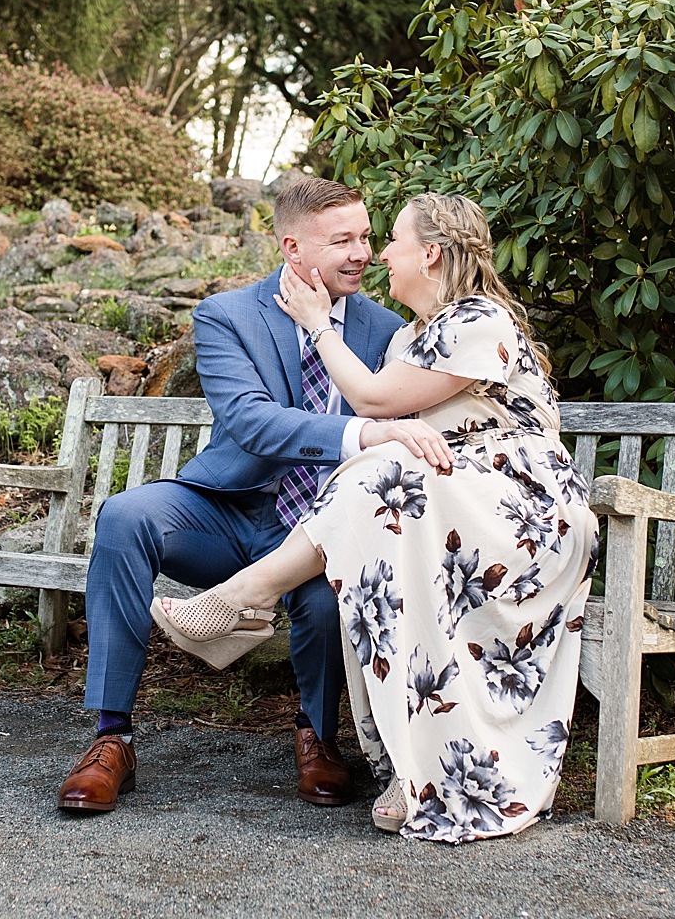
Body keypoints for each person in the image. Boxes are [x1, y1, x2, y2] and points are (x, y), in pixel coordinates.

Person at [151, 193, 598, 842]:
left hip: (520, 507)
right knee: (377, 498)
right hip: (444, 502)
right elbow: (387, 426)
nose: (380, 253)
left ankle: (247, 596)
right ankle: (407, 766)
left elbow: (372, 400)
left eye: (391, 239)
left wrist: (319, 326)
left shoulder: (480, 318)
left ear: (432, 253)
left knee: (379, 475)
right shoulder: (407, 336)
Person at [58, 178, 443, 814]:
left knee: (324, 595)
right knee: (125, 516)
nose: (362, 254)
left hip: (327, 529)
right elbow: (250, 422)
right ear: (293, 247)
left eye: (368, 237)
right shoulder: (227, 315)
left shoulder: (389, 330)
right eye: (341, 240)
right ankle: (110, 738)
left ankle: (317, 735)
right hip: (234, 512)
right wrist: (364, 430)